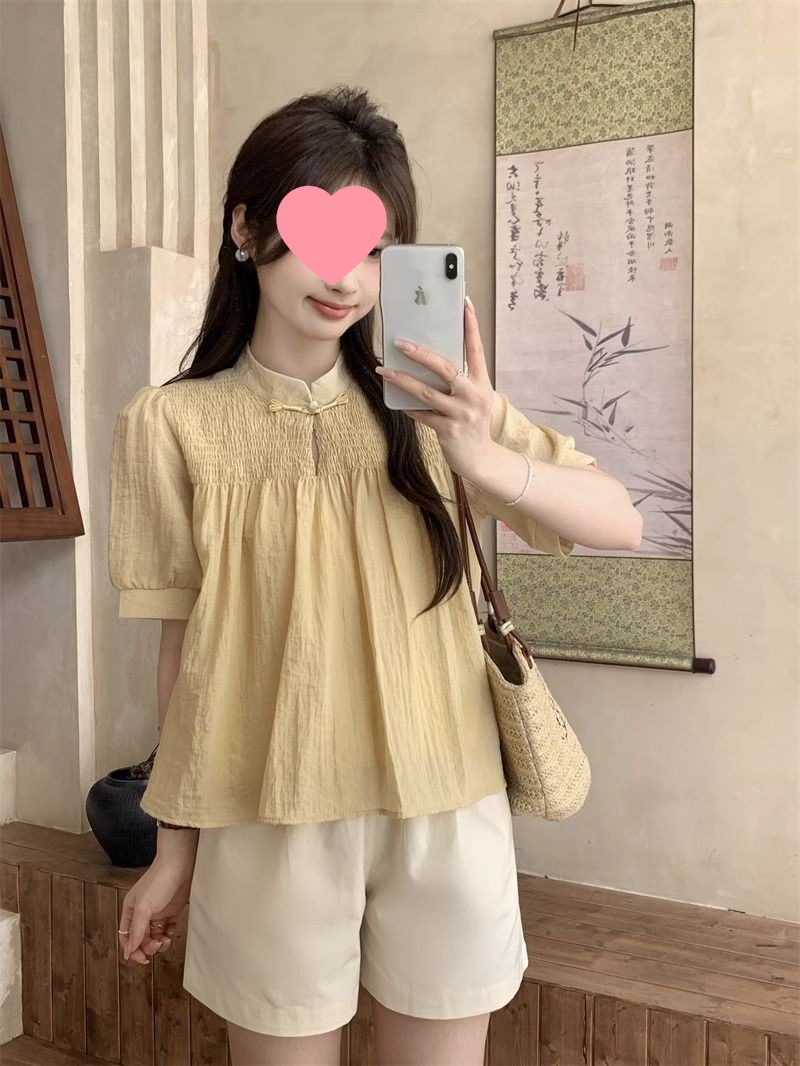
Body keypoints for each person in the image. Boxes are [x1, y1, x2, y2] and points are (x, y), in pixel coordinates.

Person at [108, 84, 640, 1066]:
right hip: (264, 815)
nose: (343, 276)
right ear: (245, 228)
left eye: (371, 247)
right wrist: (173, 849)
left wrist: (482, 459)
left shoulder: (439, 406)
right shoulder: (169, 425)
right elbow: (183, 651)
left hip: (447, 807)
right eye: (321, 237)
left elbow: (620, 518)